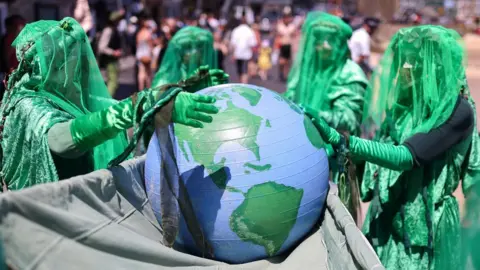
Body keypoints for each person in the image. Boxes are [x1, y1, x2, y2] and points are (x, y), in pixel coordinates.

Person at [305, 25, 480, 270]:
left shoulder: (457, 110)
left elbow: (406, 156)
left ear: (438, 65)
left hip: (425, 231)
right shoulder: (404, 107)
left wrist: (345, 141)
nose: (406, 68)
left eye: (416, 60)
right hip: (389, 221)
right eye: (404, 60)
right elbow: (378, 154)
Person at [0, 18, 226, 192]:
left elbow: (116, 108)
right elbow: (60, 140)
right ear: (48, 67)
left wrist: (185, 87)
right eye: (69, 62)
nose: (80, 69)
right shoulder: (26, 103)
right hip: (41, 227)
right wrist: (134, 107)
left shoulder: (70, 98)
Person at [284, 12, 368, 221]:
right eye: (319, 40)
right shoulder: (306, 71)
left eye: (330, 40)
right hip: (300, 157)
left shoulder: (350, 73)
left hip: (334, 163)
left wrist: (316, 115)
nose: (324, 46)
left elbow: (350, 119)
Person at [151, 26, 223, 88]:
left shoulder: (213, 78)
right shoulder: (165, 78)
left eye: (200, 47)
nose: (194, 52)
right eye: (188, 48)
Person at [98, 10, 124, 97]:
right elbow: (102, 47)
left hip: (113, 60)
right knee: (112, 82)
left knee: (113, 82)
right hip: (109, 61)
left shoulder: (114, 30)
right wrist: (113, 52)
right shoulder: (108, 30)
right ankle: (108, 101)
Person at [0, 15, 25, 99]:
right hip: (11, 74)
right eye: (19, 25)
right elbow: (7, 58)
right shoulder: (9, 38)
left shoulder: (20, 38)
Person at [230, 14, 257, 84]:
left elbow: (233, 44)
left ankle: (241, 84)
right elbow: (253, 44)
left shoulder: (236, 30)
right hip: (246, 54)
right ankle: (243, 85)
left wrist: (233, 54)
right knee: (244, 71)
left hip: (238, 54)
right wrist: (253, 57)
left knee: (239, 71)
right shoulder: (250, 31)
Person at [276, 6, 296, 82]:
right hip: (282, 45)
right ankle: (281, 73)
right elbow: (279, 34)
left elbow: (294, 34)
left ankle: (286, 75)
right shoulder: (280, 25)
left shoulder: (292, 26)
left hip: (288, 45)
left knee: (287, 62)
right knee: (282, 61)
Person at [136, 14, 154, 91]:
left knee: (141, 73)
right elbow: (150, 45)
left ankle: (140, 89)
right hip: (146, 54)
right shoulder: (148, 33)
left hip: (139, 54)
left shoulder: (139, 33)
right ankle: (148, 89)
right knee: (148, 73)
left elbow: (137, 44)